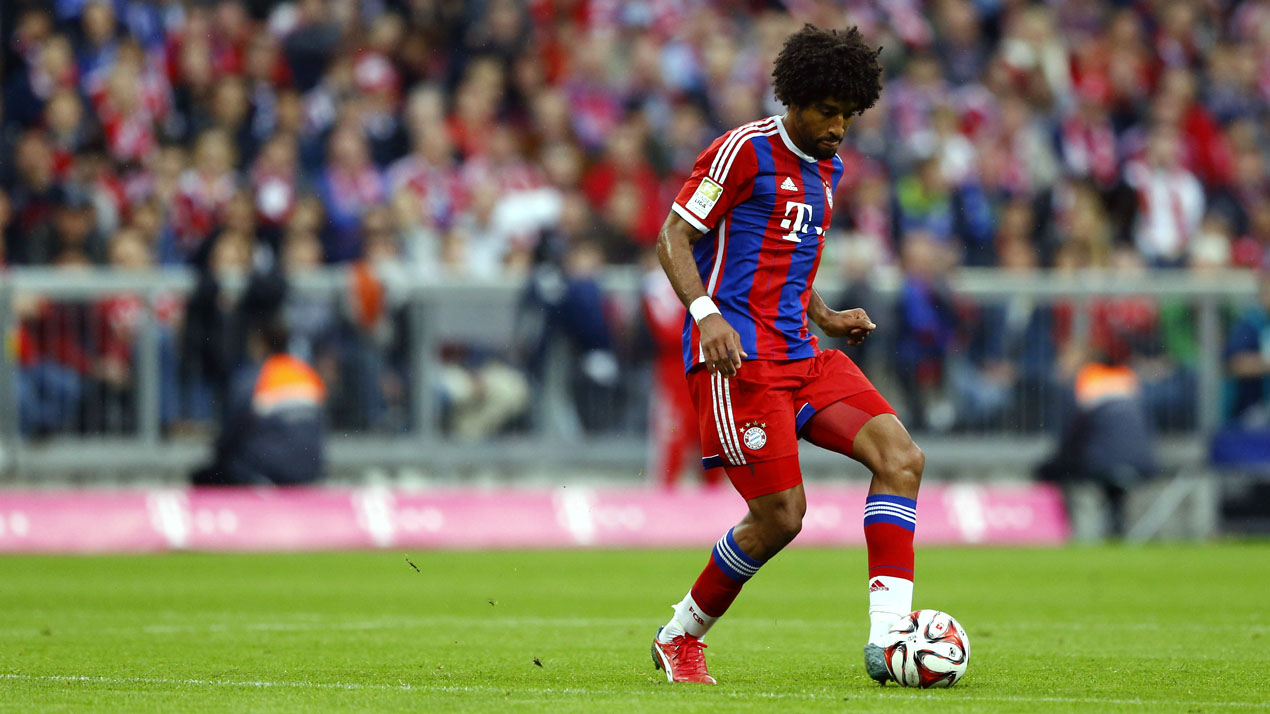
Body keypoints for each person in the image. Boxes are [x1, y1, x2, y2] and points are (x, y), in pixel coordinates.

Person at [650, 25, 923, 686]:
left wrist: (824, 315)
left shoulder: (830, 168)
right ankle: (680, 635)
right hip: (737, 362)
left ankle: (890, 637)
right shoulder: (743, 151)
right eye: (827, 112)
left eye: (848, 115)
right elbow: (673, 237)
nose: (838, 128)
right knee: (781, 518)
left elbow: (784, 256)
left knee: (901, 459)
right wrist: (707, 315)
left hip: (804, 354)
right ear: (795, 100)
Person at [191, 315, 327, 486]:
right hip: (310, 468)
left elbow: (231, 431)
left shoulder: (254, 378)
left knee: (209, 474)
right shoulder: (308, 375)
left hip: (266, 470)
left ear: (260, 344)